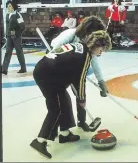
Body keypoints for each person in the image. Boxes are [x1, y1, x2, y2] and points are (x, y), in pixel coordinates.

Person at [30, 30, 112, 159]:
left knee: (65, 100)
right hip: (48, 76)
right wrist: (81, 99)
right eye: (102, 49)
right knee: (55, 109)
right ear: (96, 45)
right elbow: (80, 80)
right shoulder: (85, 56)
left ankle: (64, 133)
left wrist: (79, 96)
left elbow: (73, 76)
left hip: (48, 71)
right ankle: (40, 141)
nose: (102, 52)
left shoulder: (79, 46)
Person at [50, 16, 109, 132]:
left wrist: (101, 81)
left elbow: (94, 61)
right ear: (88, 31)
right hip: (59, 67)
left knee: (81, 94)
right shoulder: (71, 34)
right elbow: (54, 47)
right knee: (61, 99)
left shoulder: (90, 42)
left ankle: (81, 121)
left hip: (76, 69)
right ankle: (60, 128)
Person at [1, 0, 26, 75]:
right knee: (8, 52)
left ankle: (23, 68)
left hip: (16, 37)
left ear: (14, 6)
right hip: (9, 37)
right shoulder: (7, 15)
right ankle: (4, 69)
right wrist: (8, 34)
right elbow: (9, 27)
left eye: (10, 6)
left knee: (19, 52)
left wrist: (17, 34)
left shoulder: (18, 15)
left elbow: (22, 26)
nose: (9, 7)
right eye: (8, 6)